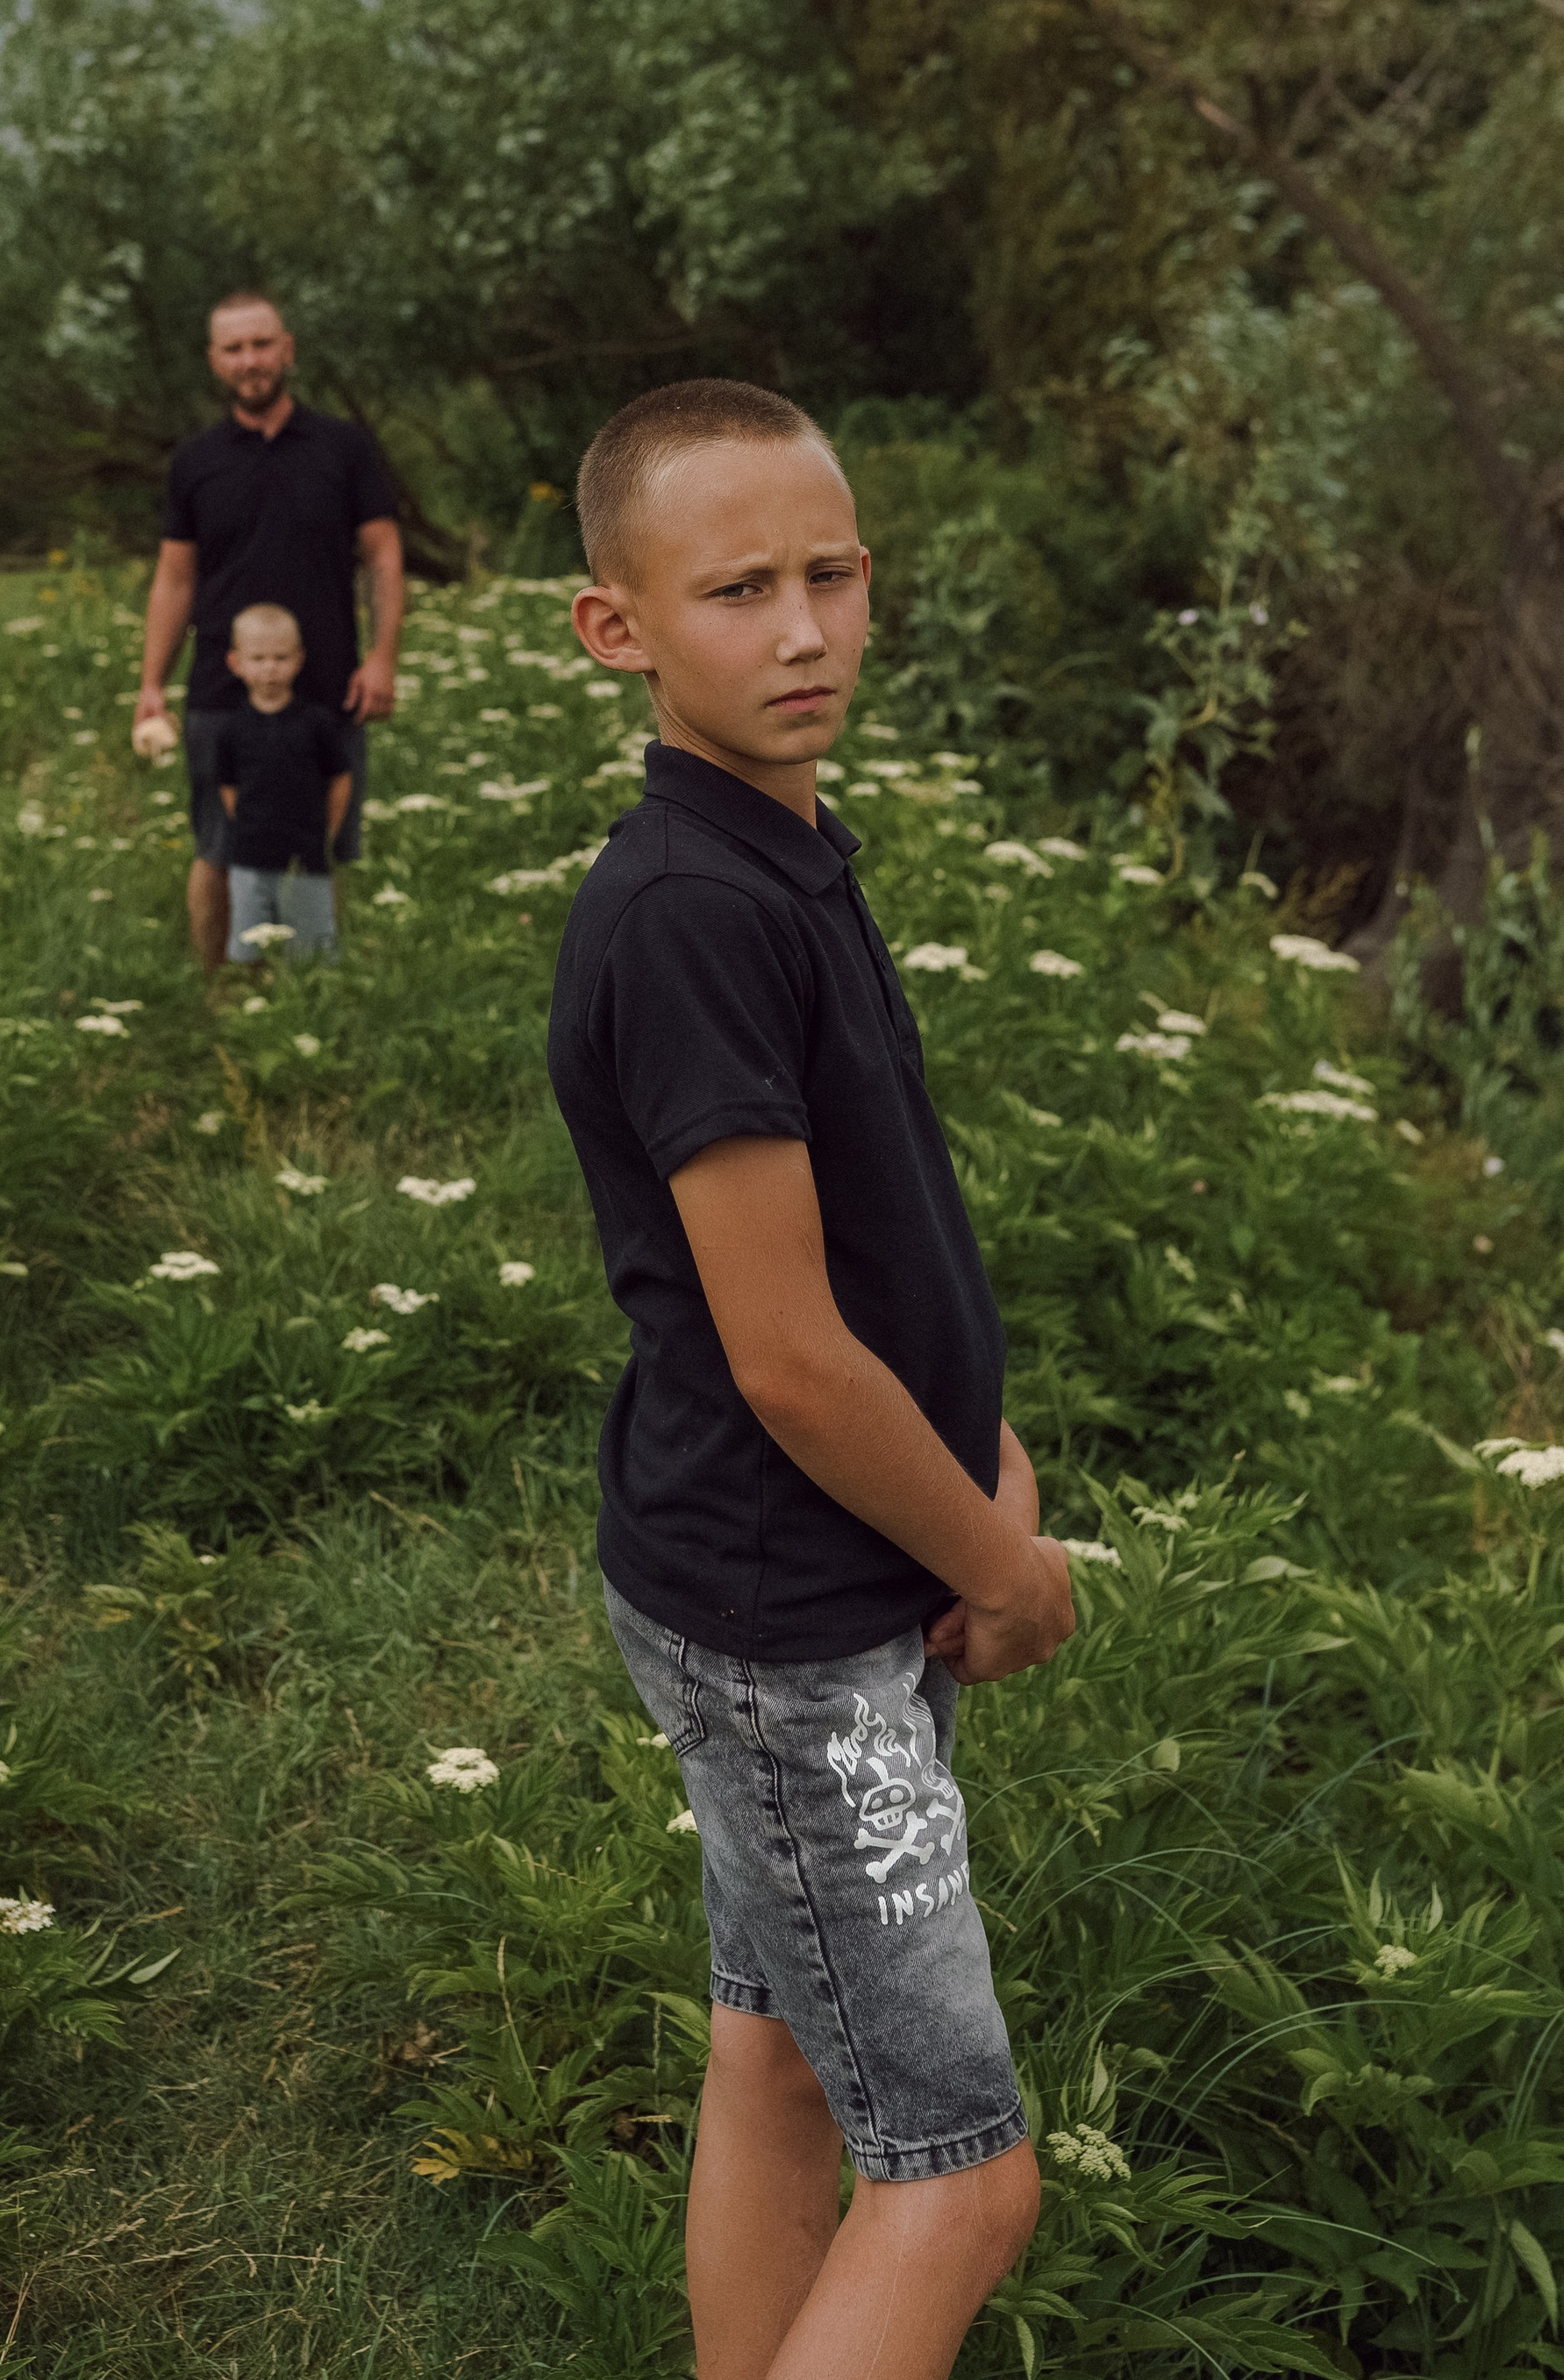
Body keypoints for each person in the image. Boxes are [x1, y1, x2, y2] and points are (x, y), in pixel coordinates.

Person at [546, 379, 1075, 2380]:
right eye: (737, 586)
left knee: (771, 2056)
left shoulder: (773, 853)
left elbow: (861, 1233)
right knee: (955, 2176)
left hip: (783, 1576)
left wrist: (975, 1438)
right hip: (798, 1614)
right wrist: (995, 1558)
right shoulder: (684, 908)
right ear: (617, 627)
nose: (799, 629)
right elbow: (778, 1350)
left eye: (830, 574)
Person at [133, 290, 403, 970]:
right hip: (223, 693)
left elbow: (383, 556)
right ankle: (219, 988)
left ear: (286, 349)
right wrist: (150, 684)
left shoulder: (343, 448)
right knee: (219, 847)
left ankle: (314, 984)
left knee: (323, 841)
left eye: (261, 344)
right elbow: (174, 579)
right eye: (234, 348)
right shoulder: (195, 461)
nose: (249, 360)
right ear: (214, 362)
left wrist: (381, 659)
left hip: (327, 684)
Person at [212, 602, 354, 963]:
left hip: (306, 857)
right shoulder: (231, 729)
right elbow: (228, 787)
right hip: (249, 857)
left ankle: (306, 1006)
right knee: (248, 949)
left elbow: (340, 779)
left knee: (312, 952)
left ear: (299, 660)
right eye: (257, 658)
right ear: (236, 663)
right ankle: (253, 1006)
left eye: (280, 657)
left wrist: (326, 834)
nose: (270, 669)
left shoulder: (317, 724)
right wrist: (248, 825)